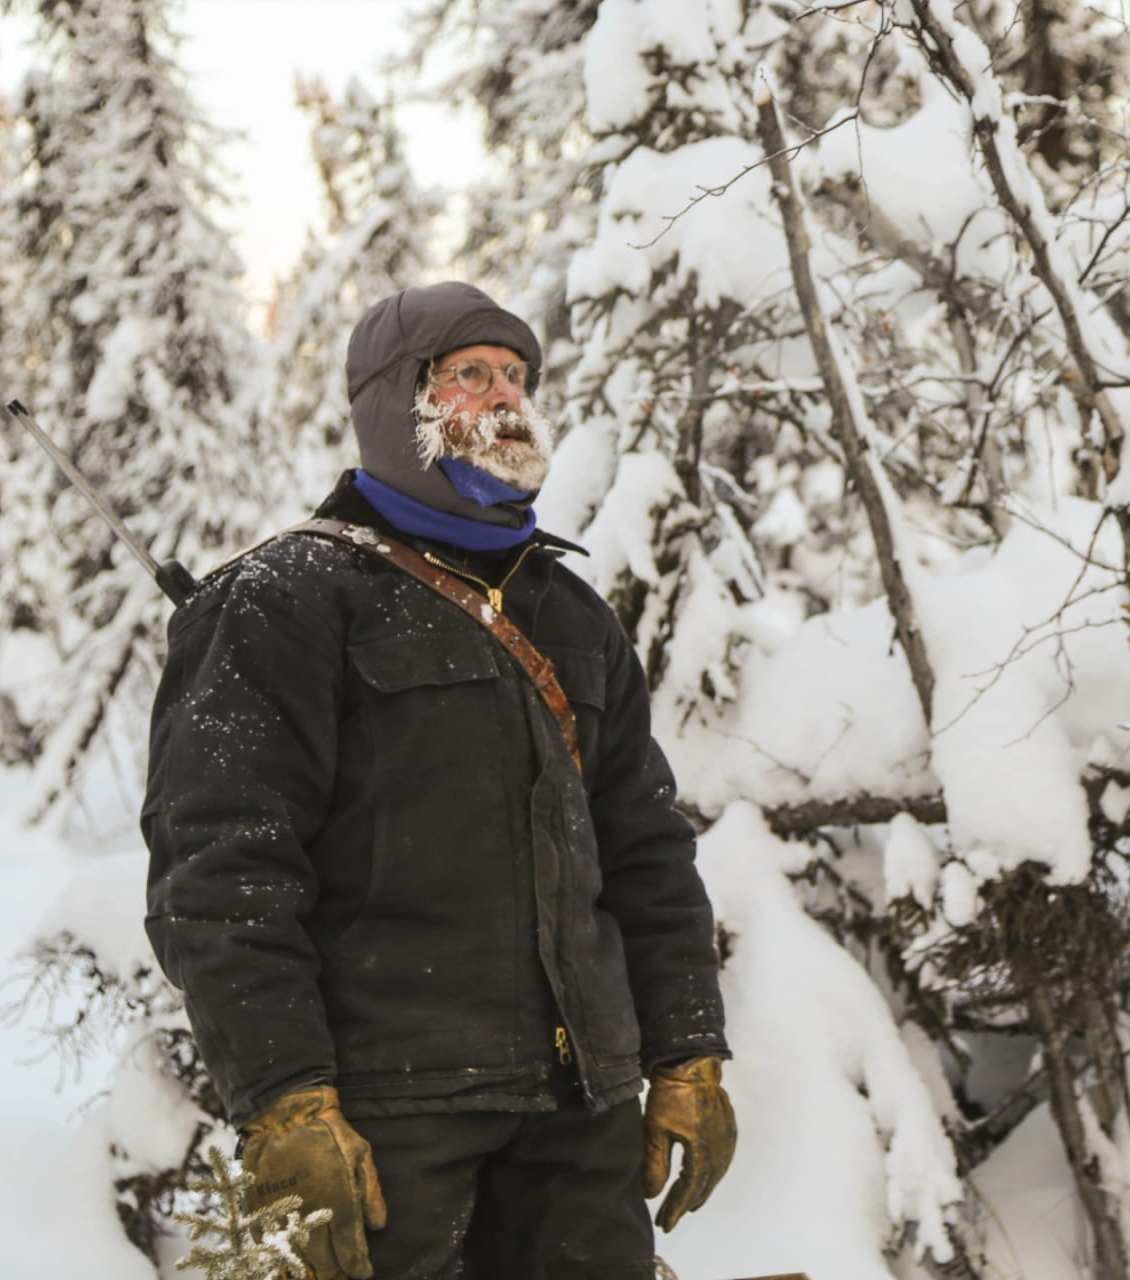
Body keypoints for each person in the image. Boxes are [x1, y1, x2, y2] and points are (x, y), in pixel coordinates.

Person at [143, 281, 735, 1279]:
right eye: (469, 373)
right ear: (391, 401)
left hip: (579, 1113)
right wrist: (286, 1094)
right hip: (383, 1119)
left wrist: (686, 1053)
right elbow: (221, 869)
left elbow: (646, 850)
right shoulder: (282, 604)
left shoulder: (573, 618)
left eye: (517, 375)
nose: (506, 396)